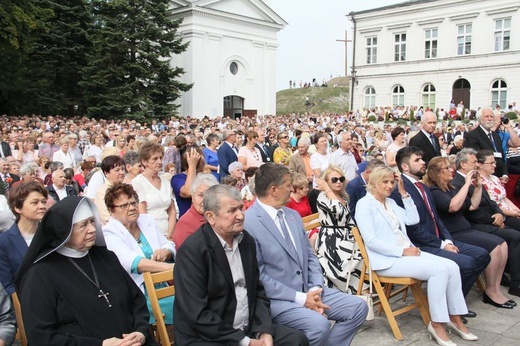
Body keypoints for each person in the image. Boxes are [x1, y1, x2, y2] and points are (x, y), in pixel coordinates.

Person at [244, 163, 368, 345]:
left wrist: (314, 288)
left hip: (309, 290)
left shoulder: (291, 215)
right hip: (279, 299)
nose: (292, 189)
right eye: (288, 185)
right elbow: (259, 277)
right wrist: (302, 299)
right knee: (319, 325)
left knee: (357, 307)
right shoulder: (249, 223)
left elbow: (310, 256)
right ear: (274, 190)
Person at [356, 166, 477, 346]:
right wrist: (402, 252)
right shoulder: (365, 204)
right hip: (387, 260)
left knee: (451, 266)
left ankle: (455, 317)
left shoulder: (390, 202)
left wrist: (404, 192)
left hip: (407, 252)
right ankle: (436, 324)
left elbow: (412, 219)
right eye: (385, 182)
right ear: (374, 183)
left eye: (392, 182)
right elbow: (371, 241)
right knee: (438, 270)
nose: (390, 186)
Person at [174, 184, 309, 345]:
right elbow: (197, 314)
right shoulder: (193, 251)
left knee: (296, 340)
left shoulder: (246, 241)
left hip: (247, 327)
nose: (240, 215)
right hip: (207, 336)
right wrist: (245, 342)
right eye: (232, 211)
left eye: (241, 208)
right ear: (211, 217)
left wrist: (264, 330)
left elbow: (257, 291)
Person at [15, 196, 155, 345]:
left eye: (92, 221)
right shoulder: (40, 274)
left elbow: (137, 300)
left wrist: (140, 332)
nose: (92, 229)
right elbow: (41, 337)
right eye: (83, 225)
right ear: (64, 231)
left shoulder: (107, 257)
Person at [393, 146, 490, 319]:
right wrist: (441, 244)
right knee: (467, 263)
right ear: (405, 167)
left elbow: (436, 218)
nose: (423, 162)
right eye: (418, 160)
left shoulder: (422, 186)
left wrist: (448, 242)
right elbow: (412, 229)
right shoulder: (400, 190)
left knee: (482, 255)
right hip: (422, 244)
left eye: (422, 159)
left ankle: (452, 302)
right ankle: (448, 308)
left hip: (438, 239)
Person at [425, 156, 514, 308]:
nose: (451, 170)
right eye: (447, 168)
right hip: (454, 233)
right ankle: (491, 291)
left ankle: (495, 289)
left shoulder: (450, 188)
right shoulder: (434, 190)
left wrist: (478, 187)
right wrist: (467, 184)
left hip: (465, 228)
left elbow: (471, 205)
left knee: (502, 245)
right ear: (438, 172)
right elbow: (452, 206)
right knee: (494, 248)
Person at [102, 183, 175, 326]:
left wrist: (165, 252)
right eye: (124, 206)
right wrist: (170, 268)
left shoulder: (146, 220)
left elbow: (168, 244)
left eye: (133, 202)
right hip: (139, 293)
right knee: (185, 306)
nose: (131, 207)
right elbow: (133, 263)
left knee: (193, 300)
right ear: (112, 211)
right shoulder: (109, 232)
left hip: (164, 285)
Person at [452, 149, 520, 298]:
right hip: (476, 223)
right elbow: (469, 210)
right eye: (474, 162)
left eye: (477, 161)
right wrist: (493, 219)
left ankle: (503, 281)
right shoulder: (457, 182)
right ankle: (515, 283)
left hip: (489, 218)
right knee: (514, 237)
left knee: (513, 236)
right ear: (463, 164)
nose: (477, 165)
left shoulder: (475, 178)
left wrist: (499, 214)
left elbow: (490, 201)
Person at [314, 166, 364, 293]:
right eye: (334, 179)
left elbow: (349, 220)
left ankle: (362, 287)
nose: (339, 182)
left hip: (346, 236)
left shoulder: (344, 197)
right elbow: (338, 211)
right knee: (359, 256)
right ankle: (358, 289)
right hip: (331, 240)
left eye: (341, 179)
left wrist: (359, 235)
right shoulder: (322, 197)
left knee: (367, 249)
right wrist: (326, 189)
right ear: (326, 182)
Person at [0, 181, 48, 295]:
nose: (41, 206)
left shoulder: (51, 235)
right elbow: (7, 284)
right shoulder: (4, 242)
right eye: (34, 202)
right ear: (17, 208)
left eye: (43, 202)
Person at [132, 141, 177, 238]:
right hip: (149, 234)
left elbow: (172, 211)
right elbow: (142, 214)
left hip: (168, 233)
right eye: (155, 159)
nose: (159, 162)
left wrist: (169, 234)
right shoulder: (138, 182)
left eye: (161, 158)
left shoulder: (165, 181)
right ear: (144, 162)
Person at [172, 173, 218, 249]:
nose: (204, 200)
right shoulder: (186, 223)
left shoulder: (219, 216)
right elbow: (186, 255)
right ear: (192, 197)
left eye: (209, 195)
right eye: (201, 195)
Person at [464, 107, 508, 181]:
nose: (490, 119)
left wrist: (504, 174)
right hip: (483, 177)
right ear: (479, 119)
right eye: (487, 116)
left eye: (491, 116)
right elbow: (475, 157)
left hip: (498, 178)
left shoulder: (496, 136)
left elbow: (502, 157)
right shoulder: (473, 135)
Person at [478, 149, 520, 222]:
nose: (494, 165)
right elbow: (492, 204)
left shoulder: (495, 178)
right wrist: (513, 213)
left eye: (494, 162)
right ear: (480, 165)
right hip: (500, 215)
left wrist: (517, 210)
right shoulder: (479, 181)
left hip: (511, 212)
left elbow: (504, 198)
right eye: (491, 163)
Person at [171, 146, 205, 217]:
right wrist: (192, 166)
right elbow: (188, 192)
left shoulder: (204, 177)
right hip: (188, 219)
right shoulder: (177, 178)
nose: (204, 163)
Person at [94, 155, 126, 225]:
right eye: (117, 170)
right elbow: (106, 218)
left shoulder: (126, 189)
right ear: (106, 173)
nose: (122, 172)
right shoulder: (102, 193)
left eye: (123, 169)